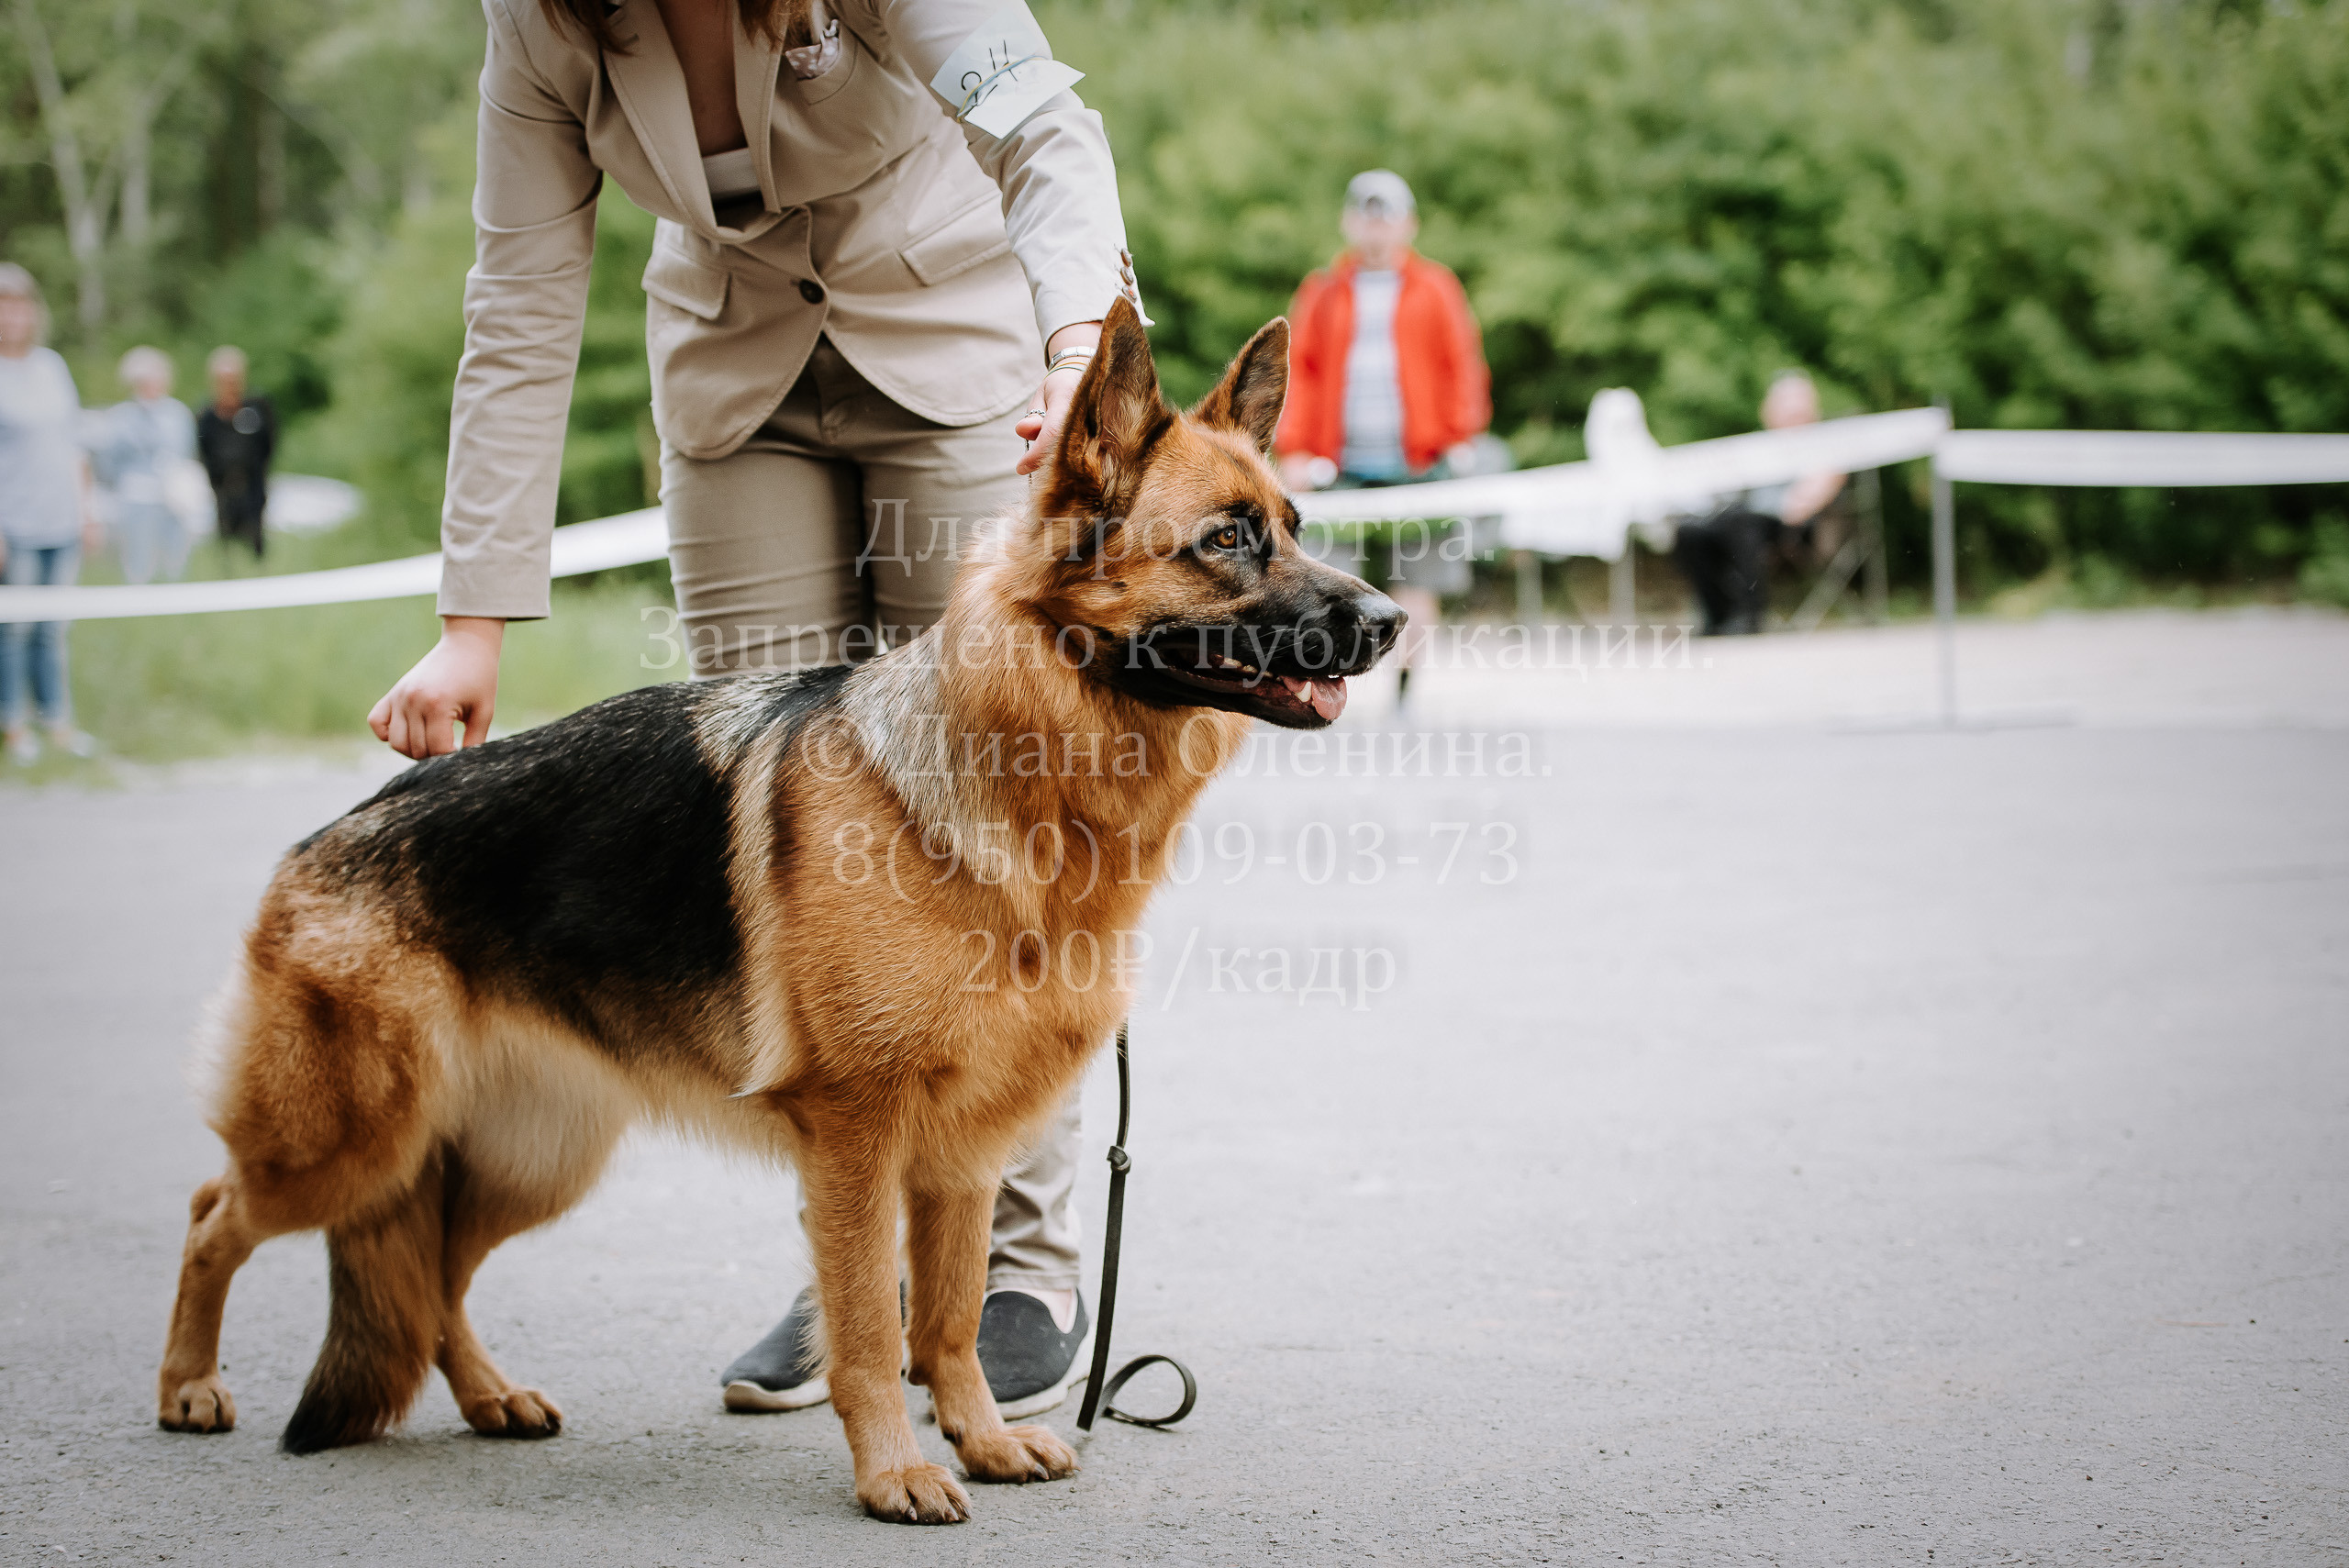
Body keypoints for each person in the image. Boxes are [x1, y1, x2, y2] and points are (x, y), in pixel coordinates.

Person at [365, 0, 1144, 1420]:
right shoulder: (541, 21)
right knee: (790, 857)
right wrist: (470, 623)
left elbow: (1044, 130)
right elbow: (521, 298)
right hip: (735, 395)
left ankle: (1020, 1268)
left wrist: (1078, 345)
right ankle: (852, 1272)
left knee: (1006, 811)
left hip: (970, 367)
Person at [1275, 169, 1490, 703]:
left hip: (1422, 461)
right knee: (1324, 576)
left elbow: (1461, 364)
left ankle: (1405, 687)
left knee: (1418, 577)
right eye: (1367, 215)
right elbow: (1300, 371)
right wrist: (1295, 447)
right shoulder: (1322, 292)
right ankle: (1326, 690)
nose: (1376, 227)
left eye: (1387, 215)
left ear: (1408, 224)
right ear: (1350, 222)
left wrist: (1461, 435)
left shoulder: (1437, 288)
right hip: (1338, 463)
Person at [0, 263, 98, 765]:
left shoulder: (51, 367)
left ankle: (58, 722)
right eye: (4, 304)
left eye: (20, 304)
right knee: (14, 630)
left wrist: (87, 512)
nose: (12, 315)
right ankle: (14, 726)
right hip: (14, 524)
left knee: (53, 628)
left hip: (60, 520)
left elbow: (73, 445)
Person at [1671, 372, 1845, 636]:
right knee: (1689, 531)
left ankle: (1751, 614)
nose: (1791, 418)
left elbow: (1818, 489)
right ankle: (1717, 613)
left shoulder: (1822, 445)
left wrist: (1799, 502)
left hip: (1792, 525)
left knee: (1742, 523)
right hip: (1744, 517)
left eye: (1797, 411)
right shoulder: (1758, 445)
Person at [98, 347, 197, 585]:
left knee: (175, 558)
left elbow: (186, 453)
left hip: (174, 498)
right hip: (137, 496)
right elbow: (108, 462)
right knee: (138, 558)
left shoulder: (177, 414)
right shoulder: (122, 417)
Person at [195, 345, 275, 560]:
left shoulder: (257, 407)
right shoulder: (207, 415)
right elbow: (203, 450)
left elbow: (269, 443)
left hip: (254, 484)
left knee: (256, 538)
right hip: (222, 487)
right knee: (224, 539)